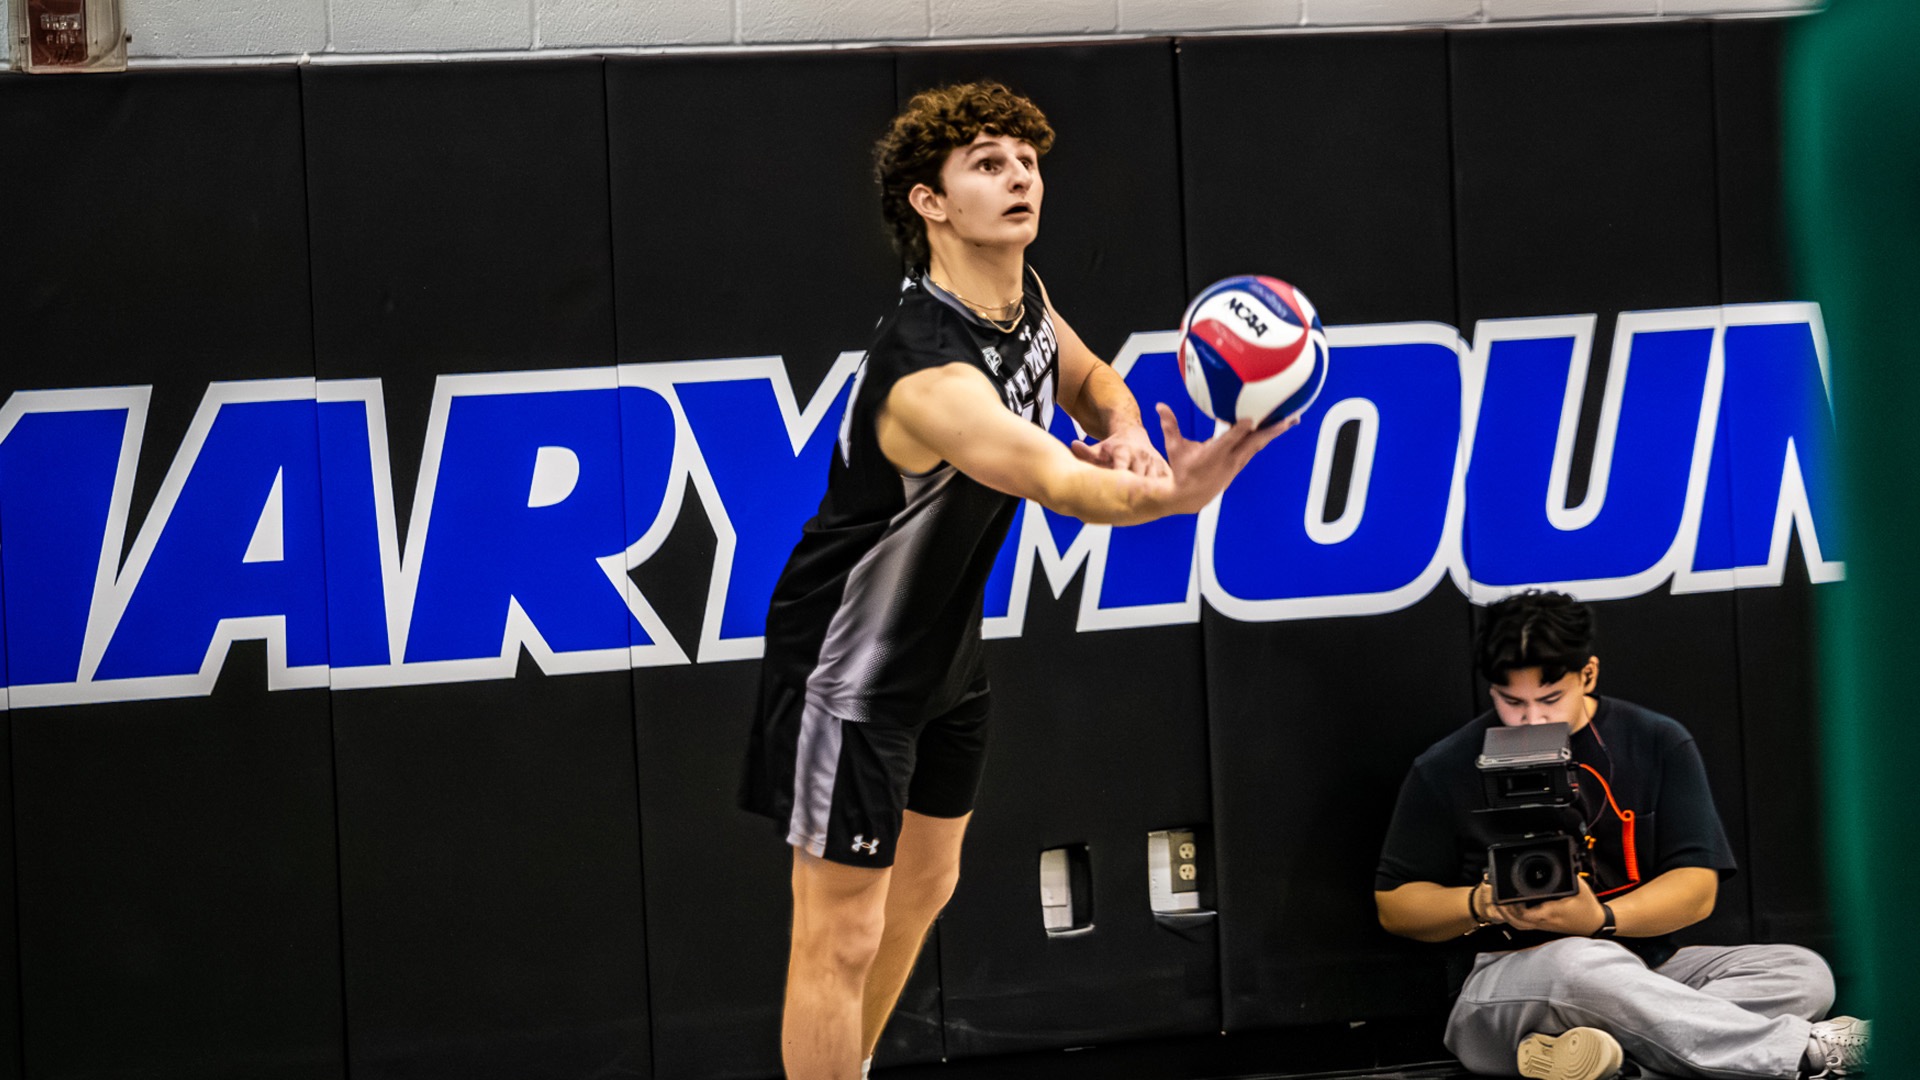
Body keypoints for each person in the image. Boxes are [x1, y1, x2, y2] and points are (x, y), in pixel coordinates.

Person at [739, 81, 1291, 1080]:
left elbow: (1087, 379)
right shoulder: (927, 370)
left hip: (945, 653)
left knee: (923, 890)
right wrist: (1168, 495)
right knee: (840, 934)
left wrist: (1127, 432)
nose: (1019, 177)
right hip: (850, 666)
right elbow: (1052, 479)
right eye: (987, 165)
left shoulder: (1022, 299)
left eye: (1027, 162)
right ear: (929, 203)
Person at [1375, 590, 1871, 1080]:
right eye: (1512, 702)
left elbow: (1696, 888)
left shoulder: (1655, 740)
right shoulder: (1447, 764)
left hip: (1645, 967)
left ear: (1587, 673)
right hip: (1507, 986)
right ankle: (1804, 1050)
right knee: (1577, 963)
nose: (1532, 719)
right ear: (1491, 691)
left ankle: (1607, 1061)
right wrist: (1479, 904)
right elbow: (1394, 904)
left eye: (1550, 699)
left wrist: (1601, 918)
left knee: (1801, 971)